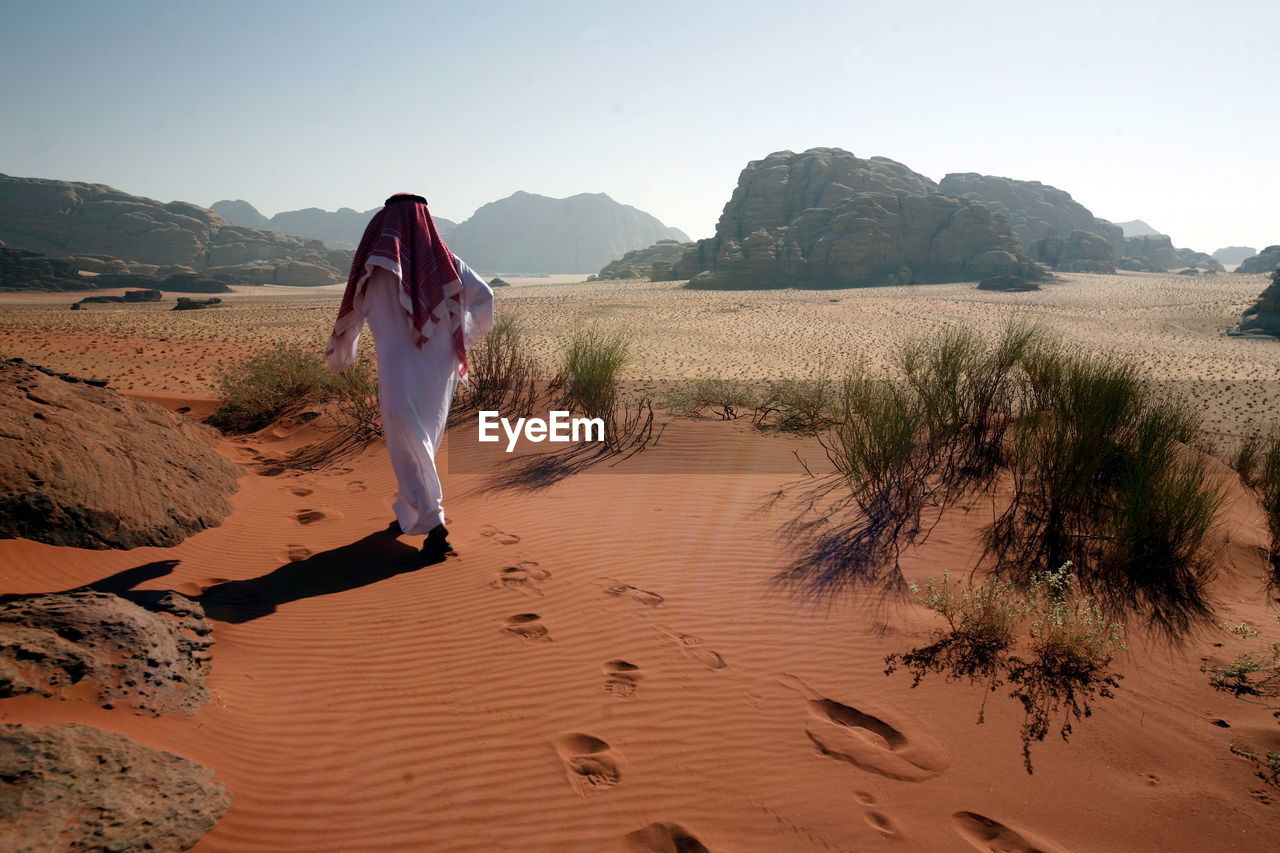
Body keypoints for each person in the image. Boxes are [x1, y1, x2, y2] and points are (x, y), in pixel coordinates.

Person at [325, 193, 494, 562]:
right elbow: (486, 298)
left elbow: (352, 309)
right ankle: (408, 512)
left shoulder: (374, 265)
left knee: (409, 439)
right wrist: (459, 338)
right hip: (438, 369)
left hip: (400, 370)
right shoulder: (446, 265)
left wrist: (343, 351)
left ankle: (435, 527)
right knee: (419, 441)